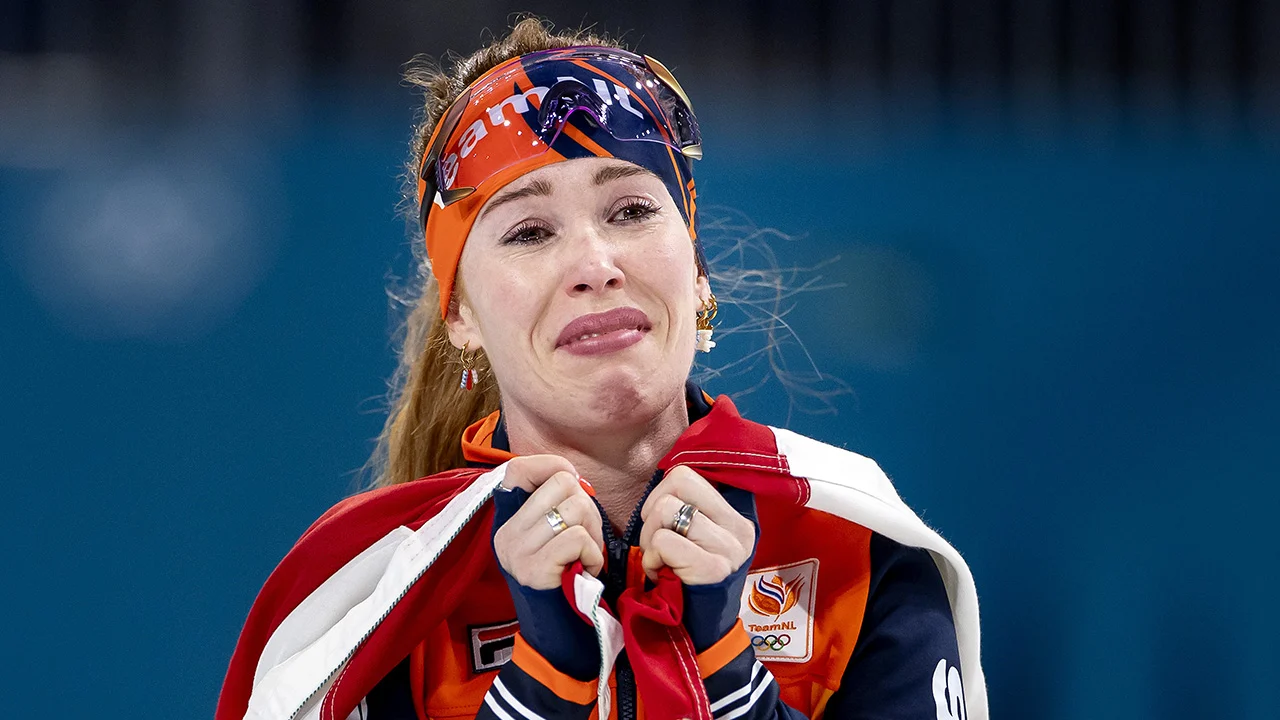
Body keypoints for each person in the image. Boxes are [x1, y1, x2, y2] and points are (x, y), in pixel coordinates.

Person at [217, 19, 986, 720]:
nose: (594, 264)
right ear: (462, 316)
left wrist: (729, 676)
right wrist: (539, 689)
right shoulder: (377, 603)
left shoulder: (856, 542)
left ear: (698, 273)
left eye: (630, 211)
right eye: (529, 231)